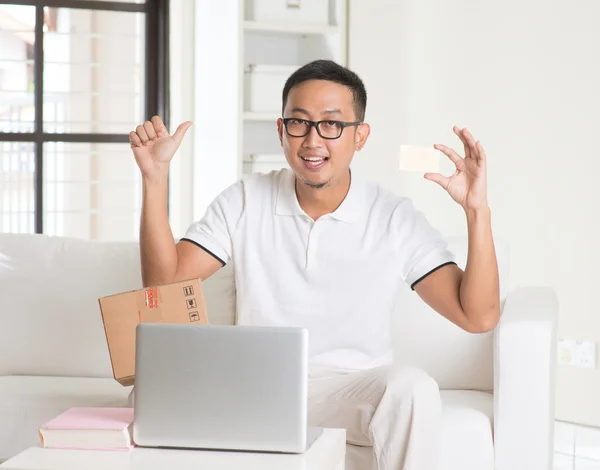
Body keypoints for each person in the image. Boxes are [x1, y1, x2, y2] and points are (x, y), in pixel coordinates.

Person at [129, 59, 500, 470]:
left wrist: (476, 211)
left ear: (360, 136)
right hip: (255, 386)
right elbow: (162, 286)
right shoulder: (245, 199)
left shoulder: (393, 217)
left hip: (350, 393)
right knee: (150, 396)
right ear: (280, 130)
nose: (312, 140)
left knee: (412, 388)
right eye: (299, 123)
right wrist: (154, 176)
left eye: (331, 124)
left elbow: (478, 316)